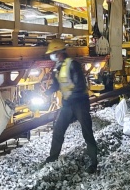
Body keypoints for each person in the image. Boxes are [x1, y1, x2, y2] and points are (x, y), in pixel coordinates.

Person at [43, 40, 99, 173]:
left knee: (87, 132)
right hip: (68, 104)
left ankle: (93, 162)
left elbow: (80, 85)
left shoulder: (73, 64)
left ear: (59, 52)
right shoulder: (57, 67)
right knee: (58, 130)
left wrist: (72, 98)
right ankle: (52, 158)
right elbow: (57, 85)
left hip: (80, 103)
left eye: (53, 53)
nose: (52, 56)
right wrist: (47, 92)